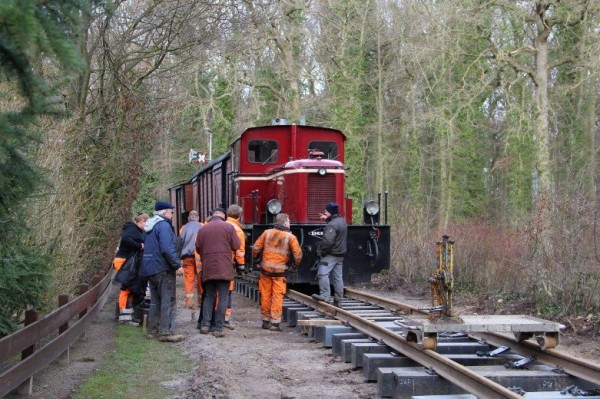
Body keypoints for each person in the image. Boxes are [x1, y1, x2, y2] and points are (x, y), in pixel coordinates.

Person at [140, 201, 185, 342]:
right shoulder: (164, 226)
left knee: (155, 300)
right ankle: (166, 332)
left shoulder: (149, 226)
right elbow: (167, 248)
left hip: (150, 268)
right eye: (171, 212)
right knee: (168, 299)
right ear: (165, 212)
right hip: (163, 268)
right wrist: (177, 265)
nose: (172, 215)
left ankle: (152, 330)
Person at [252, 213, 302, 331]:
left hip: (266, 270)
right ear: (284, 223)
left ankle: (265, 321)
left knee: (265, 294)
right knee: (277, 296)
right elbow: (298, 255)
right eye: (289, 221)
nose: (289, 223)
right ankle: (275, 323)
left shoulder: (266, 233)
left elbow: (255, 248)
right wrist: (295, 265)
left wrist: (257, 259)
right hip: (279, 272)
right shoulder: (290, 237)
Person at [195, 207, 240, 337]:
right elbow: (236, 245)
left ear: (213, 215)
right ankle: (218, 328)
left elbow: (198, 248)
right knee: (223, 297)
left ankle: (205, 325)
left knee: (209, 295)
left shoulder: (203, 228)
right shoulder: (228, 227)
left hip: (208, 268)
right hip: (224, 268)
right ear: (223, 216)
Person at [113, 211, 148, 322]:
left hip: (127, 261)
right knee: (127, 287)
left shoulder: (136, 230)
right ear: (141, 221)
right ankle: (124, 314)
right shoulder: (132, 229)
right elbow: (125, 239)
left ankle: (128, 313)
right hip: (124, 261)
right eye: (145, 223)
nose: (146, 226)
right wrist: (139, 246)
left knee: (131, 287)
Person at [312, 202, 347, 305]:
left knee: (322, 273)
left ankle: (325, 296)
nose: (324, 213)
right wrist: (327, 219)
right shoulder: (342, 221)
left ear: (331, 212)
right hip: (340, 255)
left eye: (326, 211)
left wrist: (322, 252)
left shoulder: (332, 225)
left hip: (331, 254)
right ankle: (338, 300)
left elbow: (328, 242)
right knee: (337, 277)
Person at [224, 204, 246, 329]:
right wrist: (241, 266)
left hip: (218, 262)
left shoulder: (223, 225)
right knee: (227, 290)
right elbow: (239, 250)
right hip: (228, 264)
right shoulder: (237, 230)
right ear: (239, 216)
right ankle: (225, 318)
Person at [179, 210, 203, 309]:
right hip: (199, 256)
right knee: (201, 278)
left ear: (189, 218)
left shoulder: (183, 228)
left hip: (186, 257)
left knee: (189, 278)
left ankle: (189, 302)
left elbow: (180, 242)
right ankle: (201, 301)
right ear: (198, 217)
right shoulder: (203, 226)